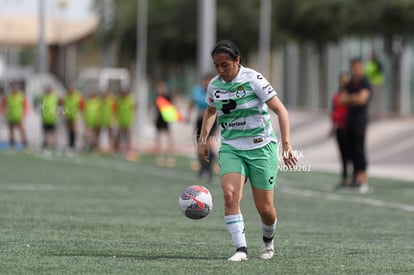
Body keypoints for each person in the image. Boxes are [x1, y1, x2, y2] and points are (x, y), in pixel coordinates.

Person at [197, 40, 297, 261]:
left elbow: (281, 110)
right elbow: (211, 111)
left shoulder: (254, 79)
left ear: (237, 60)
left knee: (265, 209)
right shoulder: (214, 85)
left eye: (225, 65)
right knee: (230, 195)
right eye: (217, 66)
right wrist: (203, 139)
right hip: (232, 148)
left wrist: (287, 145)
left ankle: (268, 240)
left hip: (261, 147)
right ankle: (241, 249)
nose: (221, 71)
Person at [340, 58, 372, 194]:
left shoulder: (365, 82)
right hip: (349, 122)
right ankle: (355, 178)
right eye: (354, 67)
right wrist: (354, 98)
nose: (356, 70)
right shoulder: (351, 83)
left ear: (362, 67)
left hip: (360, 122)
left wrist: (351, 98)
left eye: (358, 67)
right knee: (351, 151)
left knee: (359, 150)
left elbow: (362, 99)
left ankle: (363, 178)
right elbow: (341, 99)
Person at [187, 73, 217, 181]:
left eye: (209, 81)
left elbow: (215, 108)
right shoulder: (197, 91)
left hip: (212, 121)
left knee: (208, 144)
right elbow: (191, 103)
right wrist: (188, 115)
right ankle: (202, 169)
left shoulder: (216, 91)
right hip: (199, 121)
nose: (207, 83)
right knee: (199, 144)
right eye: (205, 81)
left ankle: (209, 170)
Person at [330, 72, 351, 188]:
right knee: (343, 155)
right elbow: (334, 112)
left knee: (351, 155)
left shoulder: (351, 95)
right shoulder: (337, 96)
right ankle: (344, 178)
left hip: (349, 128)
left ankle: (354, 177)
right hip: (340, 128)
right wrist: (332, 128)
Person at [0, 83, 29, 151]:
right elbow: (2, 104)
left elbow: (25, 106)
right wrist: (3, 112)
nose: (14, 89)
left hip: (19, 117)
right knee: (11, 132)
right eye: (13, 88)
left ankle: (25, 145)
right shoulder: (8, 97)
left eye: (15, 88)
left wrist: (24, 114)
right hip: (10, 117)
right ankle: (13, 146)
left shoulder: (21, 96)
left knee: (22, 131)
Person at [153, 81, 176, 167]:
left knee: (169, 137)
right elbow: (156, 109)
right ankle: (158, 154)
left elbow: (172, 105)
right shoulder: (157, 97)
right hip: (159, 119)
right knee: (158, 137)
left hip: (166, 119)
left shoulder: (167, 96)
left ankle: (171, 155)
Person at [62, 85, 84, 153]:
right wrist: (64, 113)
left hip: (75, 117)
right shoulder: (67, 97)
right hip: (69, 116)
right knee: (70, 131)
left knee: (75, 131)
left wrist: (80, 113)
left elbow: (81, 105)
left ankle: (75, 145)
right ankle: (70, 144)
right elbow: (64, 105)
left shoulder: (77, 96)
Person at [115, 88, 136, 158]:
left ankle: (128, 149)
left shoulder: (130, 100)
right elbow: (116, 109)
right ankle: (119, 149)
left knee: (127, 136)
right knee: (120, 136)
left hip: (127, 121)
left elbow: (134, 109)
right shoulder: (120, 100)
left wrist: (132, 119)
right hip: (121, 121)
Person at [40, 85, 59, 152]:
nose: (48, 90)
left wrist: (57, 113)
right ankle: (46, 144)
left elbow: (59, 105)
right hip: (45, 118)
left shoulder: (55, 97)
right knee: (45, 132)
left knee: (53, 132)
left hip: (52, 117)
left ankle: (54, 144)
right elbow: (42, 106)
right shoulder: (43, 97)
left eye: (49, 89)